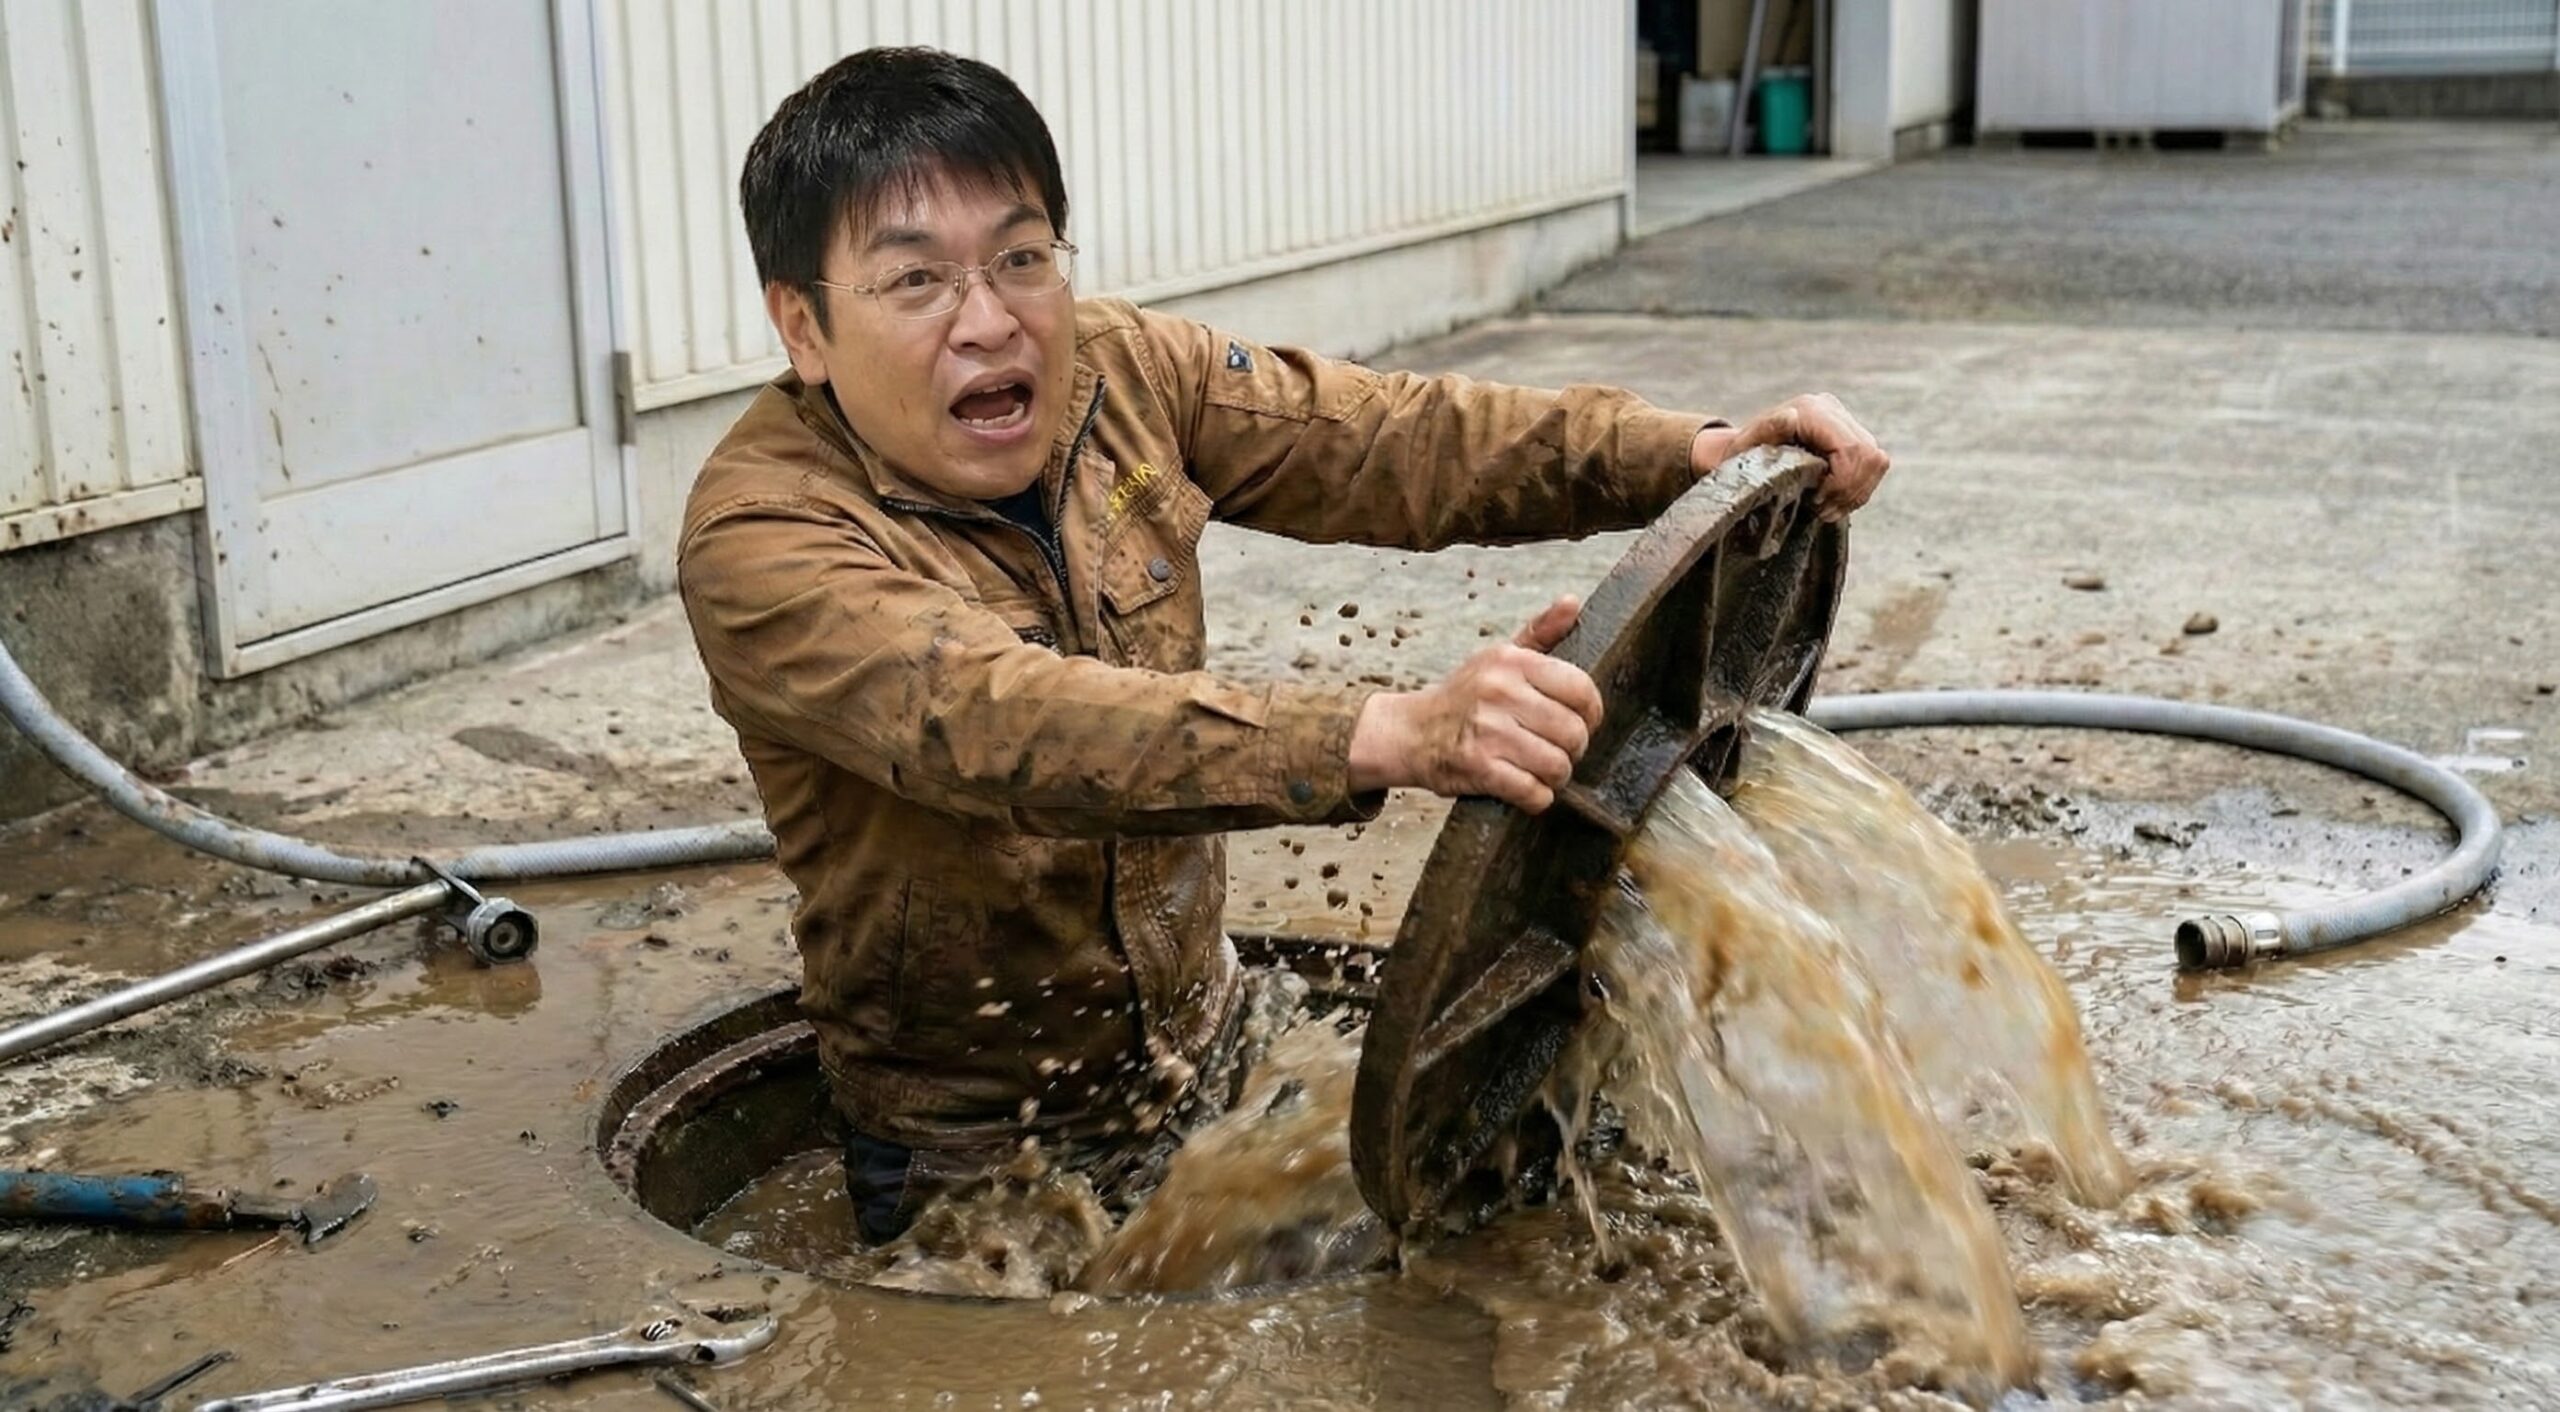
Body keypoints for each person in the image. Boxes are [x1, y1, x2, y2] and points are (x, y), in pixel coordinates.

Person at [677, 46, 1889, 1246]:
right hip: (977, 1151)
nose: (990, 320)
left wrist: (1690, 452)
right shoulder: (763, 537)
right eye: (916, 282)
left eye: (1022, 255)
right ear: (804, 328)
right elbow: (999, 720)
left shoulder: (1123, 371)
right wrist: (1392, 733)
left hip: (1210, 1045)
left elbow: (1389, 437)